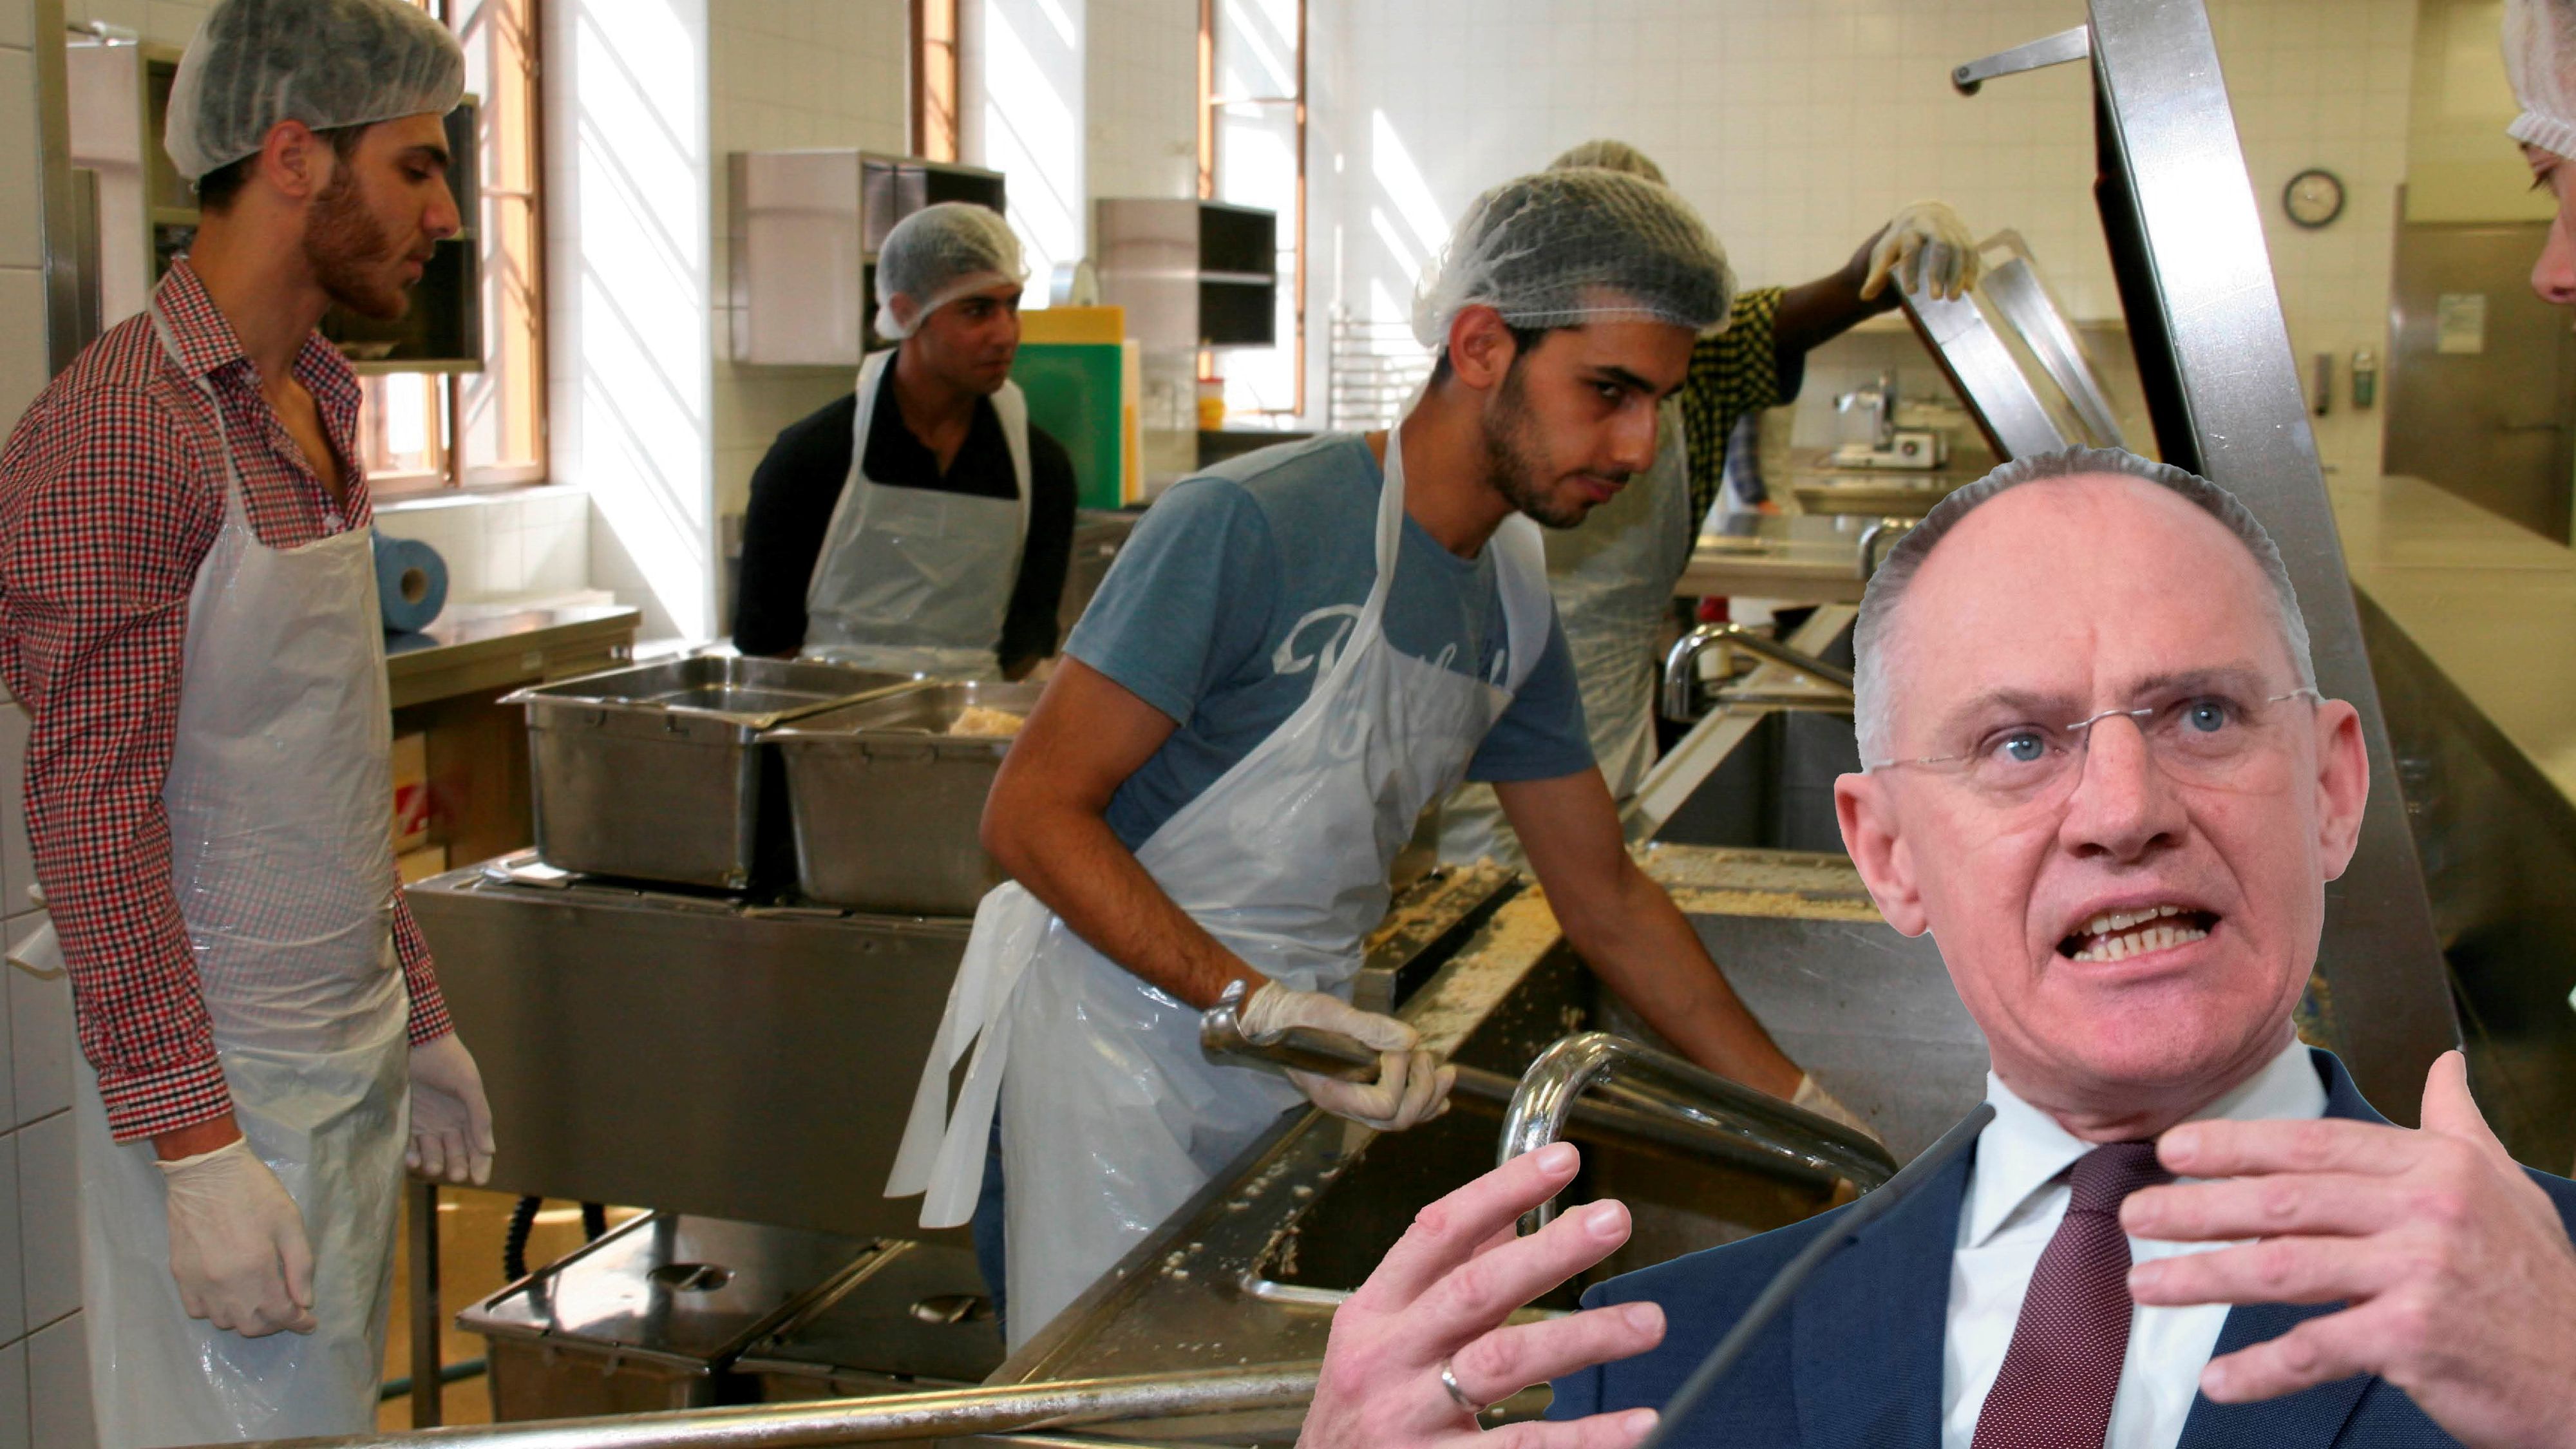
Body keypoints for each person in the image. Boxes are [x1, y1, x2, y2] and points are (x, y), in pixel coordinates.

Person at [1299, 448, 2576, 1448]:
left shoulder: (2552, 1310)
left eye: (2200, 713)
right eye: (2018, 744)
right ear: (1887, 853)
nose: (2124, 810)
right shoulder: (1658, 1368)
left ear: (2330, 789)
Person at [887, 168, 1862, 1349]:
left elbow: (1603, 898)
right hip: (1108, 1055)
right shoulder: (1248, 526)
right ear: (1481, 344)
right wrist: (1262, 1005)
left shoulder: (1512, 596)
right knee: (1109, 1411)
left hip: (1294, 1061)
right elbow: (1032, 818)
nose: (1642, 443)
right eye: (1608, 391)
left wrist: (1805, 1115)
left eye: (1659, 400)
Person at [0, 1, 497, 1440]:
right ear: (294, 157)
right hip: (219, 1089)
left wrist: (413, 1000)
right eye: (415, 167)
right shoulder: (122, 431)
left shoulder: (314, 406)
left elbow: (313, 778)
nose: (448, 210)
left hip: (338, 1059)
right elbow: (93, 822)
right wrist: (199, 1151)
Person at [1436, 139, 1979, 867]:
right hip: (1456, 750)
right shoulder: (1499, 358)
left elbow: (1829, 299)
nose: (1632, 445)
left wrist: (1889, 252)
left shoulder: (1702, 358)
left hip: (1608, 747)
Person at [731, 202, 1077, 679]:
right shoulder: (811, 458)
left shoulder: (1042, 468)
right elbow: (766, 642)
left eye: (1011, 307)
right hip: (821, 730)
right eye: (977, 310)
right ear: (906, 312)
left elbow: (1025, 644)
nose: (1004, 334)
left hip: (972, 727)